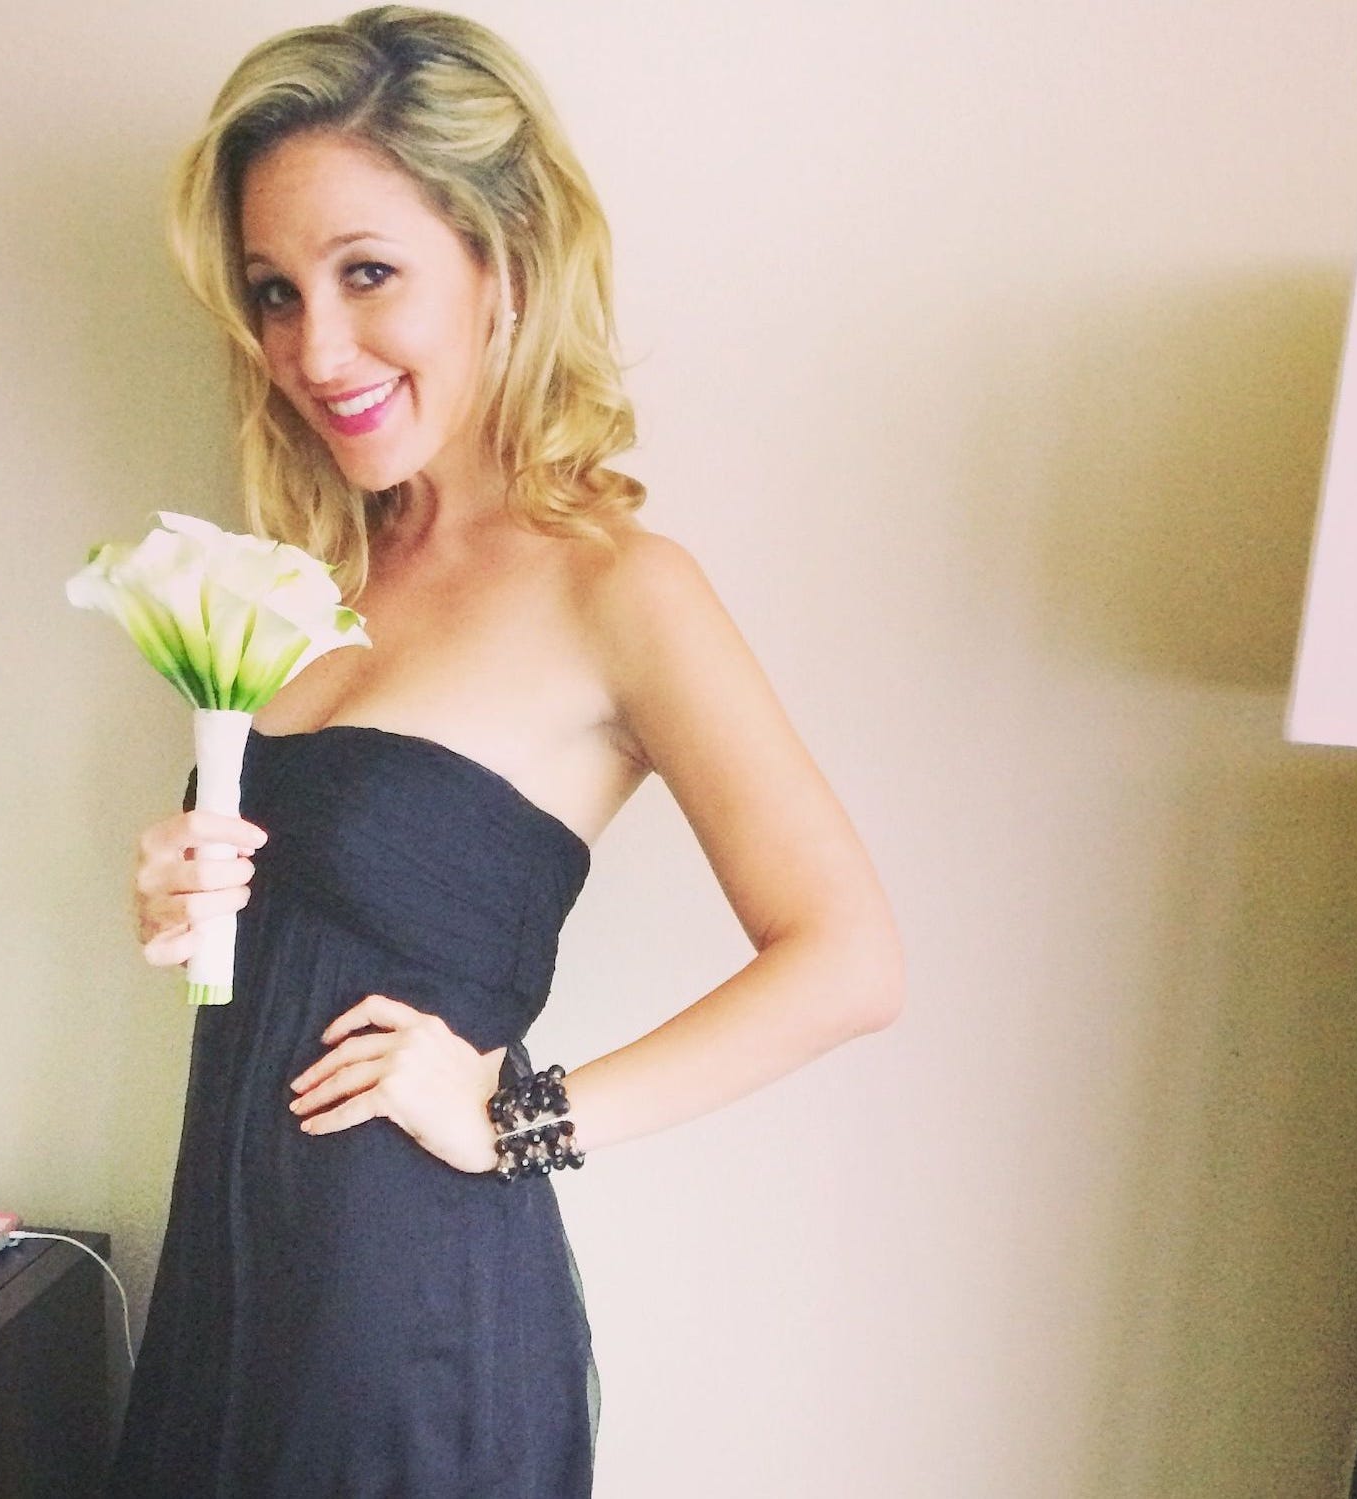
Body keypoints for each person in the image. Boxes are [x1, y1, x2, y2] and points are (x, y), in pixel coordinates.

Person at [109, 8, 906, 1495]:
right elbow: (311, 918)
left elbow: (849, 962)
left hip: (406, 1316)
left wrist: (515, 1119)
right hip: (234, 1279)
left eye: (367, 274)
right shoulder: (304, 572)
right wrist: (180, 888)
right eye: (276, 293)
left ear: (505, 258)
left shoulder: (618, 585)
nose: (312, 348)